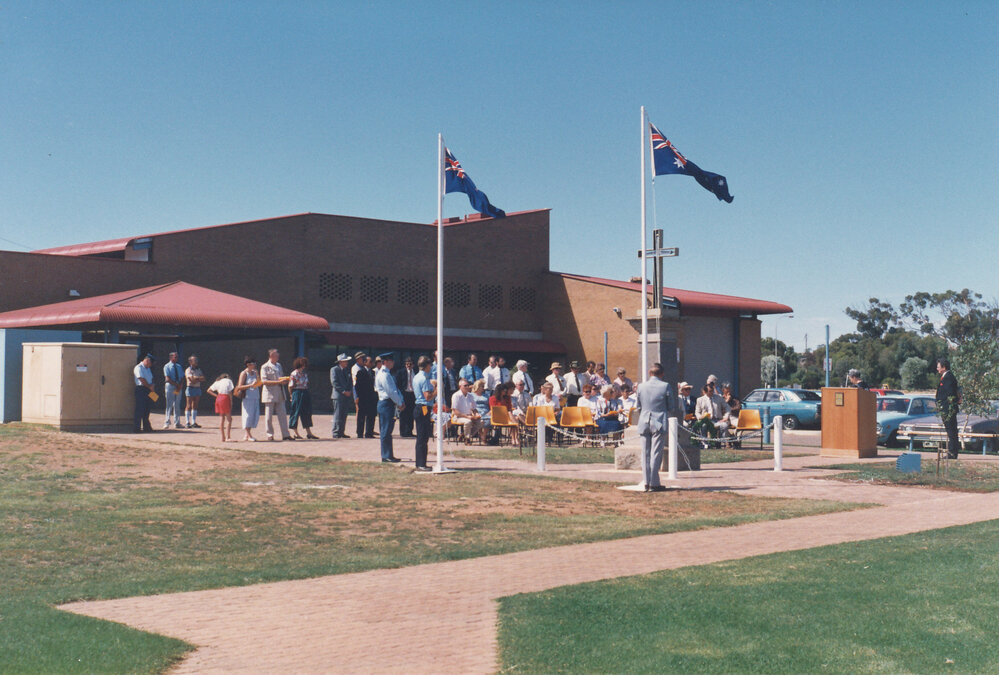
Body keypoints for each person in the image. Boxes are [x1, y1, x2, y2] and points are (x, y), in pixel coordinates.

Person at [636, 363, 672, 492]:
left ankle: (646, 481)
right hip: (658, 421)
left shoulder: (641, 386)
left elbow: (638, 406)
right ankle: (654, 482)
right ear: (661, 374)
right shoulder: (665, 386)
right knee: (655, 453)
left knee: (645, 453)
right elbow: (670, 406)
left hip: (644, 420)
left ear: (650, 373)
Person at [374, 352, 404, 462]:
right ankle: (386, 455)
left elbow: (394, 390)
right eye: (391, 361)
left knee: (387, 430)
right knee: (386, 431)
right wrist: (399, 403)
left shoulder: (387, 374)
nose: (393, 363)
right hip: (386, 403)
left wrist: (399, 401)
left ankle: (388, 454)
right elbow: (391, 392)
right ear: (385, 362)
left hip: (388, 403)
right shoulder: (384, 375)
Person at [260, 348, 292, 441]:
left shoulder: (279, 365)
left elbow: (280, 377)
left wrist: (284, 380)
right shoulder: (265, 367)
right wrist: (278, 382)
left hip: (280, 393)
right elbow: (264, 381)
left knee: (282, 415)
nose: (278, 357)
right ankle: (270, 434)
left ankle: (285, 434)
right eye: (276, 355)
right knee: (268, 416)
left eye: (278, 355)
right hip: (269, 394)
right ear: (271, 356)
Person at [411, 355, 435, 471]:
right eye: (430, 365)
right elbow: (428, 397)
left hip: (419, 407)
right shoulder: (424, 379)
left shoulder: (416, 377)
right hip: (423, 407)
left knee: (422, 436)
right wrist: (436, 390)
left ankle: (421, 462)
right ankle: (421, 464)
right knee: (423, 436)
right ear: (426, 366)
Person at [936, 358, 961, 459]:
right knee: (950, 431)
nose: (937, 368)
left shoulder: (949, 378)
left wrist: (944, 406)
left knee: (952, 432)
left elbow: (950, 395)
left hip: (948, 409)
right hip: (945, 409)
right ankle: (952, 452)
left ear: (944, 367)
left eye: (938, 367)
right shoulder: (945, 377)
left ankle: (952, 453)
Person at [288, 357, 318, 440]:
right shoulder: (294, 374)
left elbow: (306, 384)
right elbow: (290, 386)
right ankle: (295, 432)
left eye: (304, 364)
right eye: (302, 365)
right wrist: (291, 395)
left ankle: (309, 432)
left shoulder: (304, 374)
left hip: (305, 392)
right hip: (297, 392)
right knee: (296, 411)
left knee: (307, 412)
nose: (303, 366)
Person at [235, 356, 260, 441]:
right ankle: (249, 435)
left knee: (253, 416)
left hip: (255, 396)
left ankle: (246, 435)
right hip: (247, 397)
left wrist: (257, 375)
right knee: (248, 416)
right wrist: (250, 385)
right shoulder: (244, 373)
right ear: (248, 364)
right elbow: (239, 386)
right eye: (253, 363)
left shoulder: (255, 372)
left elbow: (259, 383)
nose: (255, 365)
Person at [329, 353, 354, 438]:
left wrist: (349, 391)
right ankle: (336, 432)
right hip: (338, 395)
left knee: (344, 414)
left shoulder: (347, 370)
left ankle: (341, 431)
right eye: (345, 361)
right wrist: (343, 391)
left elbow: (350, 381)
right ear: (340, 362)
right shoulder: (334, 370)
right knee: (338, 414)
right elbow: (334, 382)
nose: (346, 362)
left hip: (346, 395)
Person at [353, 352, 377, 438]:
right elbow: (357, 386)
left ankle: (369, 432)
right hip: (363, 397)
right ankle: (360, 433)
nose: (372, 364)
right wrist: (358, 396)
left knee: (371, 415)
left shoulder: (373, 373)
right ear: (365, 362)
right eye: (370, 362)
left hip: (371, 397)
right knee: (361, 416)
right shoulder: (361, 372)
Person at [206, 373, 235, 442]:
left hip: (219, 397)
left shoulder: (218, 381)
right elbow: (230, 392)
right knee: (229, 418)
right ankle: (228, 436)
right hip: (225, 397)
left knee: (222, 418)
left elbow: (208, 390)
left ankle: (223, 437)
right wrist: (231, 401)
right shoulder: (229, 381)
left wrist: (217, 396)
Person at [394, 357, 418, 438]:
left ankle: (409, 431)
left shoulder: (416, 372)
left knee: (411, 413)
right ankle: (403, 431)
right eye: (407, 364)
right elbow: (397, 384)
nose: (408, 365)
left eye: (410, 364)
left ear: (413, 365)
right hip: (404, 394)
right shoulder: (401, 372)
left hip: (412, 394)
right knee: (403, 413)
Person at [133, 353, 155, 433]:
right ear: (147, 360)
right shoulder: (138, 367)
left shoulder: (148, 369)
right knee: (140, 409)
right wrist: (149, 386)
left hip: (148, 389)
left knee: (147, 409)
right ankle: (137, 428)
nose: (150, 366)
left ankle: (147, 427)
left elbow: (151, 378)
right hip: (141, 389)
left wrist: (152, 386)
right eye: (150, 363)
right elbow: (141, 378)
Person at [162, 351, 184, 429]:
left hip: (177, 387)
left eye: (177, 357)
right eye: (175, 357)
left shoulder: (179, 366)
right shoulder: (167, 366)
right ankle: (167, 422)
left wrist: (180, 385)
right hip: (171, 386)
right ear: (171, 357)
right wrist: (176, 385)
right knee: (169, 404)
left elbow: (181, 377)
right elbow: (167, 378)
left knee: (177, 404)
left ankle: (177, 422)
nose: (177, 358)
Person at [184, 355, 206, 428]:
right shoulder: (188, 370)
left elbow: (203, 378)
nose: (196, 361)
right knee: (189, 405)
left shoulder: (198, 370)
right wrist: (198, 378)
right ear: (190, 361)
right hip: (190, 388)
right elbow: (191, 380)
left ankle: (193, 422)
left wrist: (196, 378)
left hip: (197, 388)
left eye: (197, 360)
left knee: (195, 405)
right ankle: (187, 422)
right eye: (194, 360)